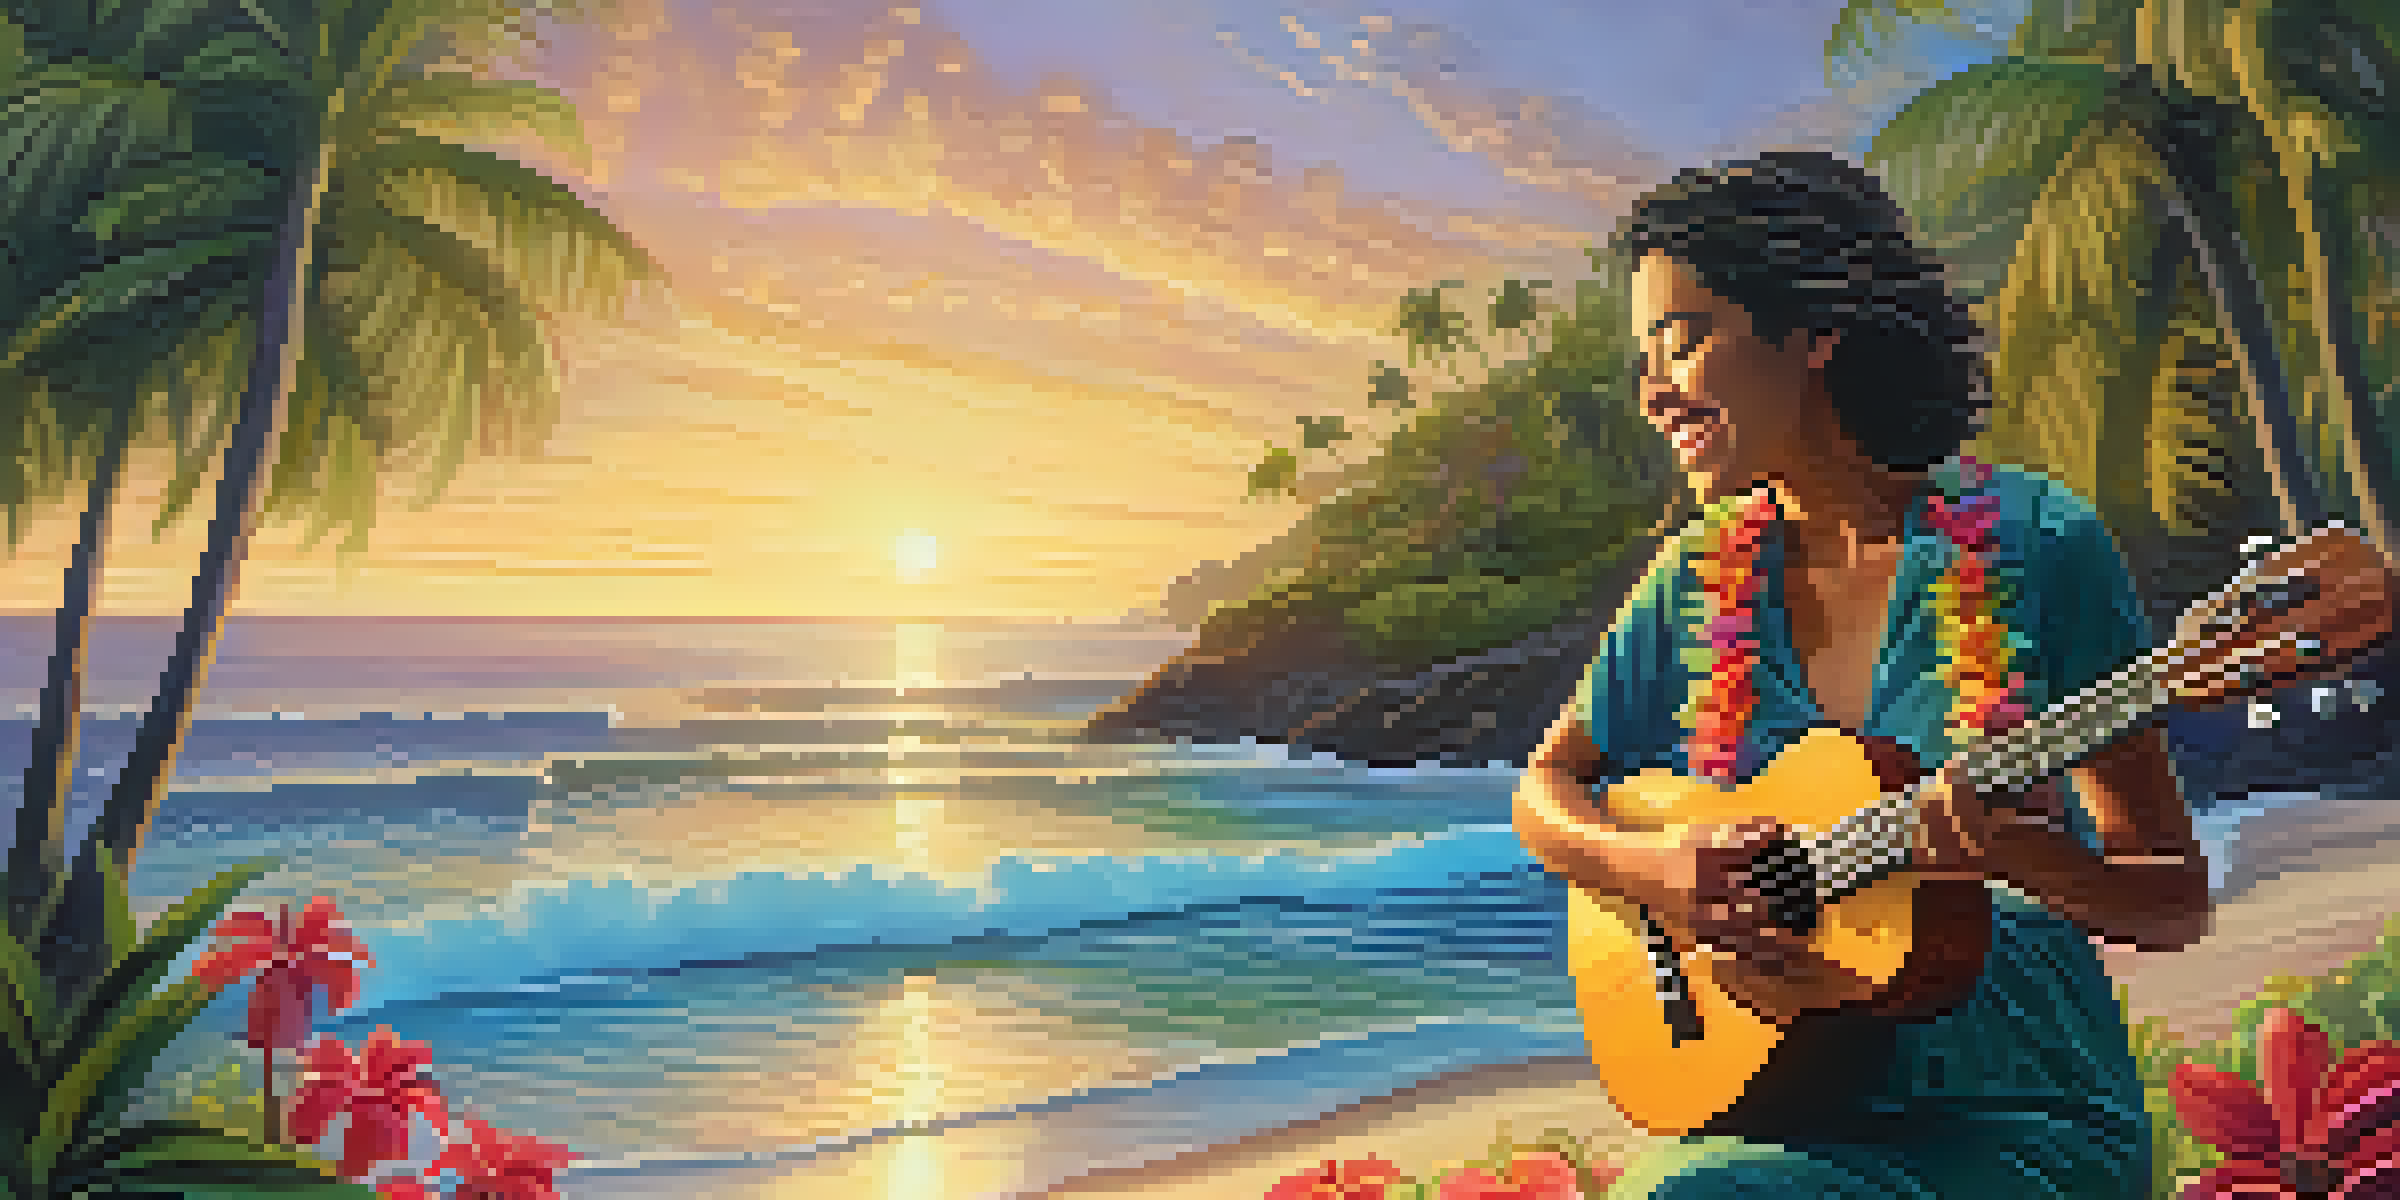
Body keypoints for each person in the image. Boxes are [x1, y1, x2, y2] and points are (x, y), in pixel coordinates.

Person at [1513, 151, 2213, 1198]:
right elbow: (1544, 792)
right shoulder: (1695, 577)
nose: (1654, 392)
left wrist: (2027, 861)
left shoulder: (2037, 540)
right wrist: (1655, 872)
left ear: (1815, 330)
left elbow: (2171, 898)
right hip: (1789, 1095)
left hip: (2019, 1106)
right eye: (1644, 361)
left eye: (1683, 341)